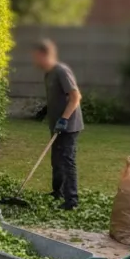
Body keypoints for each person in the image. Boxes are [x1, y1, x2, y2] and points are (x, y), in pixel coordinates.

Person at [32, 39, 84, 210]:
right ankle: (58, 192)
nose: (35, 61)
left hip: (69, 125)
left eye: (36, 57)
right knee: (56, 160)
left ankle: (72, 200)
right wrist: (45, 111)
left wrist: (64, 119)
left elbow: (75, 97)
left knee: (67, 160)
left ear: (44, 55)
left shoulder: (62, 71)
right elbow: (57, 97)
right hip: (56, 125)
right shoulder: (48, 74)